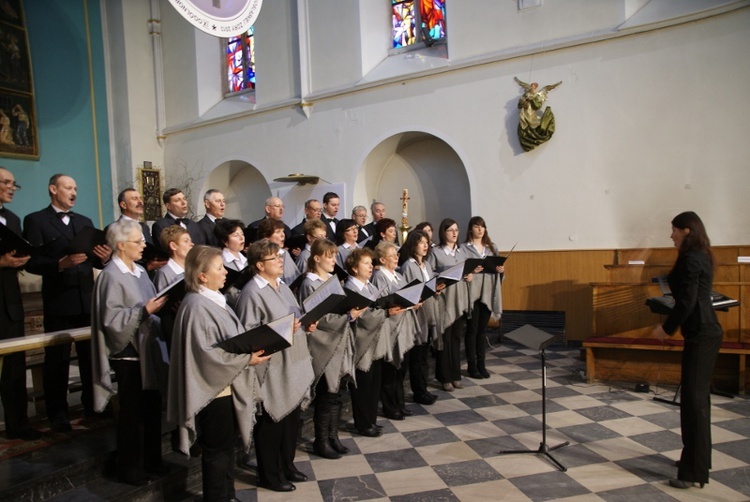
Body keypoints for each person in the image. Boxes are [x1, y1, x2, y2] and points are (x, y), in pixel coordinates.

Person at [167, 245, 269, 501]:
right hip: (213, 389)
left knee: (225, 448)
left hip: (225, 385)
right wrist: (246, 358)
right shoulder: (196, 305)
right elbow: (206, 354)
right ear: (202, 275)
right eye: (219, 268)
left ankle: (227, 494)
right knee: (216, 450)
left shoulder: (213, 299)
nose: (225, 273)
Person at [24, 174, 112, 431]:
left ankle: (93, 405)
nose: (73, 192)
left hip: (86, 297)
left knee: (89, 358)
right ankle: (58, 413)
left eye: (75, 188)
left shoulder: (83, 221)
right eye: (68, 187)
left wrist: (103, 258)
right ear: (53, 189)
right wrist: (59, 264)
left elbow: (94, 259)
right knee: (57, 360)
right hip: (59, 300)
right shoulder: (36, 220)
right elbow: (31, 261)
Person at [90, 220, 168, 485]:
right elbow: (111, 319)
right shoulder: (111, 275)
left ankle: (153, 461)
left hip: (148, 351)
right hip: (129, 356)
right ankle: (130, 469)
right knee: (131, 416)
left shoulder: (140, 271)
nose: (144, 245)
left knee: (151, 411)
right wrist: (144, 311)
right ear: (121, 245)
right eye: (138, 241)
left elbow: (152, 303)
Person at [234, 240, 315, 492]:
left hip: (292, 363)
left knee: (290, 421)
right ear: (259, 265)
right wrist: (282, 329)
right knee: (272, 423)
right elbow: (248, 334)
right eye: (274, 259)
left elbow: (294, 314)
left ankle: (286, 465)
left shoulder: (282, 286)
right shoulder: (252, 292)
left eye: (280, 257)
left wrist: (305, 323)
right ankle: (269, 475)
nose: (280, 261)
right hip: (272, 368)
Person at [652, 211, 723, 490]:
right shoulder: (699, 254)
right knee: (697, 402)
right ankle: (696, 461)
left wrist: (665, 329)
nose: (671, 235)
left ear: (687, 231)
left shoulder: (693, 257)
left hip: (702, 334)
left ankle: (692, 471)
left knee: (694, 404)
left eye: (674, 230)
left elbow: (687, 302)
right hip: (703, 332)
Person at [296, 239, 363, 459]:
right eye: (329, 256)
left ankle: (333, 437)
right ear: (316, 258)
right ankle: (321, 441)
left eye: (335, 255)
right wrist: (347, 316)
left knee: (337, 393)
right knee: (326, 394)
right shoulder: (309, 282)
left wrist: (348, 312)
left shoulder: (333, 280)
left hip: (339, 340)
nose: (334, 260)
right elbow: (316, 317)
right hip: (322, 344)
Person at [0, 167, 41, 440]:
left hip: (10, 301)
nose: (11, 187)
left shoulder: (13, 219)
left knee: (15, 366)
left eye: (14, 183)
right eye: (5, 182)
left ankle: (18, 424)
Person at [345, 248, 400, 435]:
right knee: (363, 384)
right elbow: (364, 317)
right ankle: (363, 423)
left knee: (375, 382)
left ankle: (371, 420)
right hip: (361, 343)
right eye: (366, 263)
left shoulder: (370, 286)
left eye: (371, 263)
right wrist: (385, 312)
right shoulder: (350, 288)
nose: (371, 267)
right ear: (354, 268)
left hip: (376, 341)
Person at [372, 241, 421, 420]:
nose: (397, 257)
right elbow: (380, 302)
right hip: (390, 328)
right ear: (383, 259)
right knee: (391, 369)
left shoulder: (398, 275)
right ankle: (390, 406)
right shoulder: (379, 277)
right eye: (393, 255)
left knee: (401, 369)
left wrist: (415, 300)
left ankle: (400, 403)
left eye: (397, 254)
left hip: (404, 326)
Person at [398, 230, 443, 405]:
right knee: (416, 355)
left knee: (424, 354)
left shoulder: (426, 265)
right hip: (417, 314)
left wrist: (436, 288)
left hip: (428, 311)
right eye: (421, 242)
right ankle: (418, 391)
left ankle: (423, 389)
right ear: (413, 244)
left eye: (427, 242)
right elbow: (409, 290)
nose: (425, 246)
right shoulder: (409, 265)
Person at [428, 218, 473, 392]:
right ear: (443, 233)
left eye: (456, 230)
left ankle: (456, 374)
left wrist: (469, 276)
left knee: (456, 338)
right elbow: (430, 273)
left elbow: (466, 271)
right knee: (444, 339)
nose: (454, 233)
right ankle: (444, 376)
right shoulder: (436, 252)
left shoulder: (462, 252)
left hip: (459, 299)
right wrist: (437, 281)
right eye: (450, 230)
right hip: (444, 300)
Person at [461, 216, 504, 379]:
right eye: (476, 226)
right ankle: (472, 366)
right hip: (472, 293)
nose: (480, 229)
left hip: (487, 292)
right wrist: (470, 272)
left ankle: (482, 364)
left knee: (482, 331)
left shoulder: (491, 248)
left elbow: (498, 270)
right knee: (471, 331)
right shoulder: (464, 248)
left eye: (482, 226)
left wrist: (501, 270)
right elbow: (462, 270)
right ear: (470, 229)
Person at [108, 188, 165, 272]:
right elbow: (115, 259)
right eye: (135, 199)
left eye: (140, 198)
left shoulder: (144, 227)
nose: (140, 202)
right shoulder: (114, 228)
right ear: (123, 205)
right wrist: (147, 266)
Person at [214, 219, 247, 309]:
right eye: (236, 235)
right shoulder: (220, 262)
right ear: (225, 241)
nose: (241, 238)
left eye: (242, 234)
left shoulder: (247, 259)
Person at [257, 218, 300, 285]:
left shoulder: (285, 253)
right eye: (278, 232)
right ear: (266, 237)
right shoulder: (260, 257)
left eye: (283, 231)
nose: (283, 235)